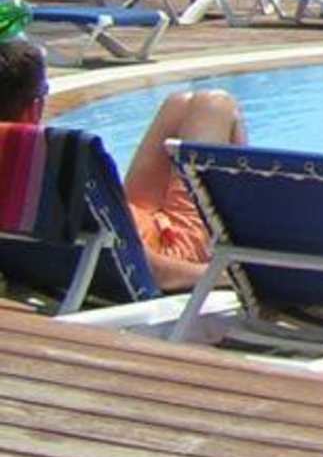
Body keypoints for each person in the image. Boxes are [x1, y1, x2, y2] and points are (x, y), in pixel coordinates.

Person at [0, 39, 245, 292]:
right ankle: (244, 246)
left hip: (132, 225)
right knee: (218, 104)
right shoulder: (56, 160)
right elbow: (156, 273)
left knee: (180, 104)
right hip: (169, 251)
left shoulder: (24, 164)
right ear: (35, 107)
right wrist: (235, 277)